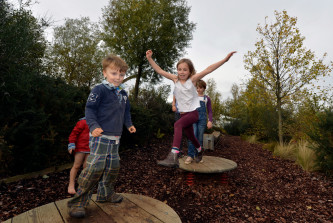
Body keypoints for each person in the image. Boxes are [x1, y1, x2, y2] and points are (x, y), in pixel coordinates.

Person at [68, 54, 136, 218]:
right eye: (114, 73)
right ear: (105, 73)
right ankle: (78, 202)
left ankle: (105, 194)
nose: (118, 77)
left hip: (115, 139)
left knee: (113, 167)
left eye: (121, 74)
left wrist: (129, 124)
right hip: (100, 137)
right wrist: (93, 126)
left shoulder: (123, 94)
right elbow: (90, 109)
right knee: (94, 168)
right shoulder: (100, 89)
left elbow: (126, 112)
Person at [146, 49, 236, 168]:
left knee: (177, 125)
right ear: (177, 70)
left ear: (190, 71)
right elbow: (160, 70)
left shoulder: (192, 80)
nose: (182, 72)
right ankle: (199, 151)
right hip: (183, 115)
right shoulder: (175, 79)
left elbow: (208, 69)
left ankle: (173, 156)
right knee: (191, 137)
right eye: (179, 69)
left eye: (185, 70)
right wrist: (150, 59)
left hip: (193, 114)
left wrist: (225, 60)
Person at [185, 80, 213, 164]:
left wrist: (210, 121)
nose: (198, 89)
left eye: (200, 88)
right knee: (192, 137)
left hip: (202, 120)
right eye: (197, 88)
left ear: (204, 88)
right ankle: (190, 156)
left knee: (200, 138)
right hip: (193, 118)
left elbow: (210, 111)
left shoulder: (206, 98)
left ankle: (198, 156)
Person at [67, 117, 90, 194]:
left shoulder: (97, 123)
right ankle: (71, 184)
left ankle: (83, 184)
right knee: (76, 165)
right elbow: (74, 133)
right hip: (80, 148)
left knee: (86, 167)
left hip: (91, 148)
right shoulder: (82, 122)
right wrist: (71, 144)